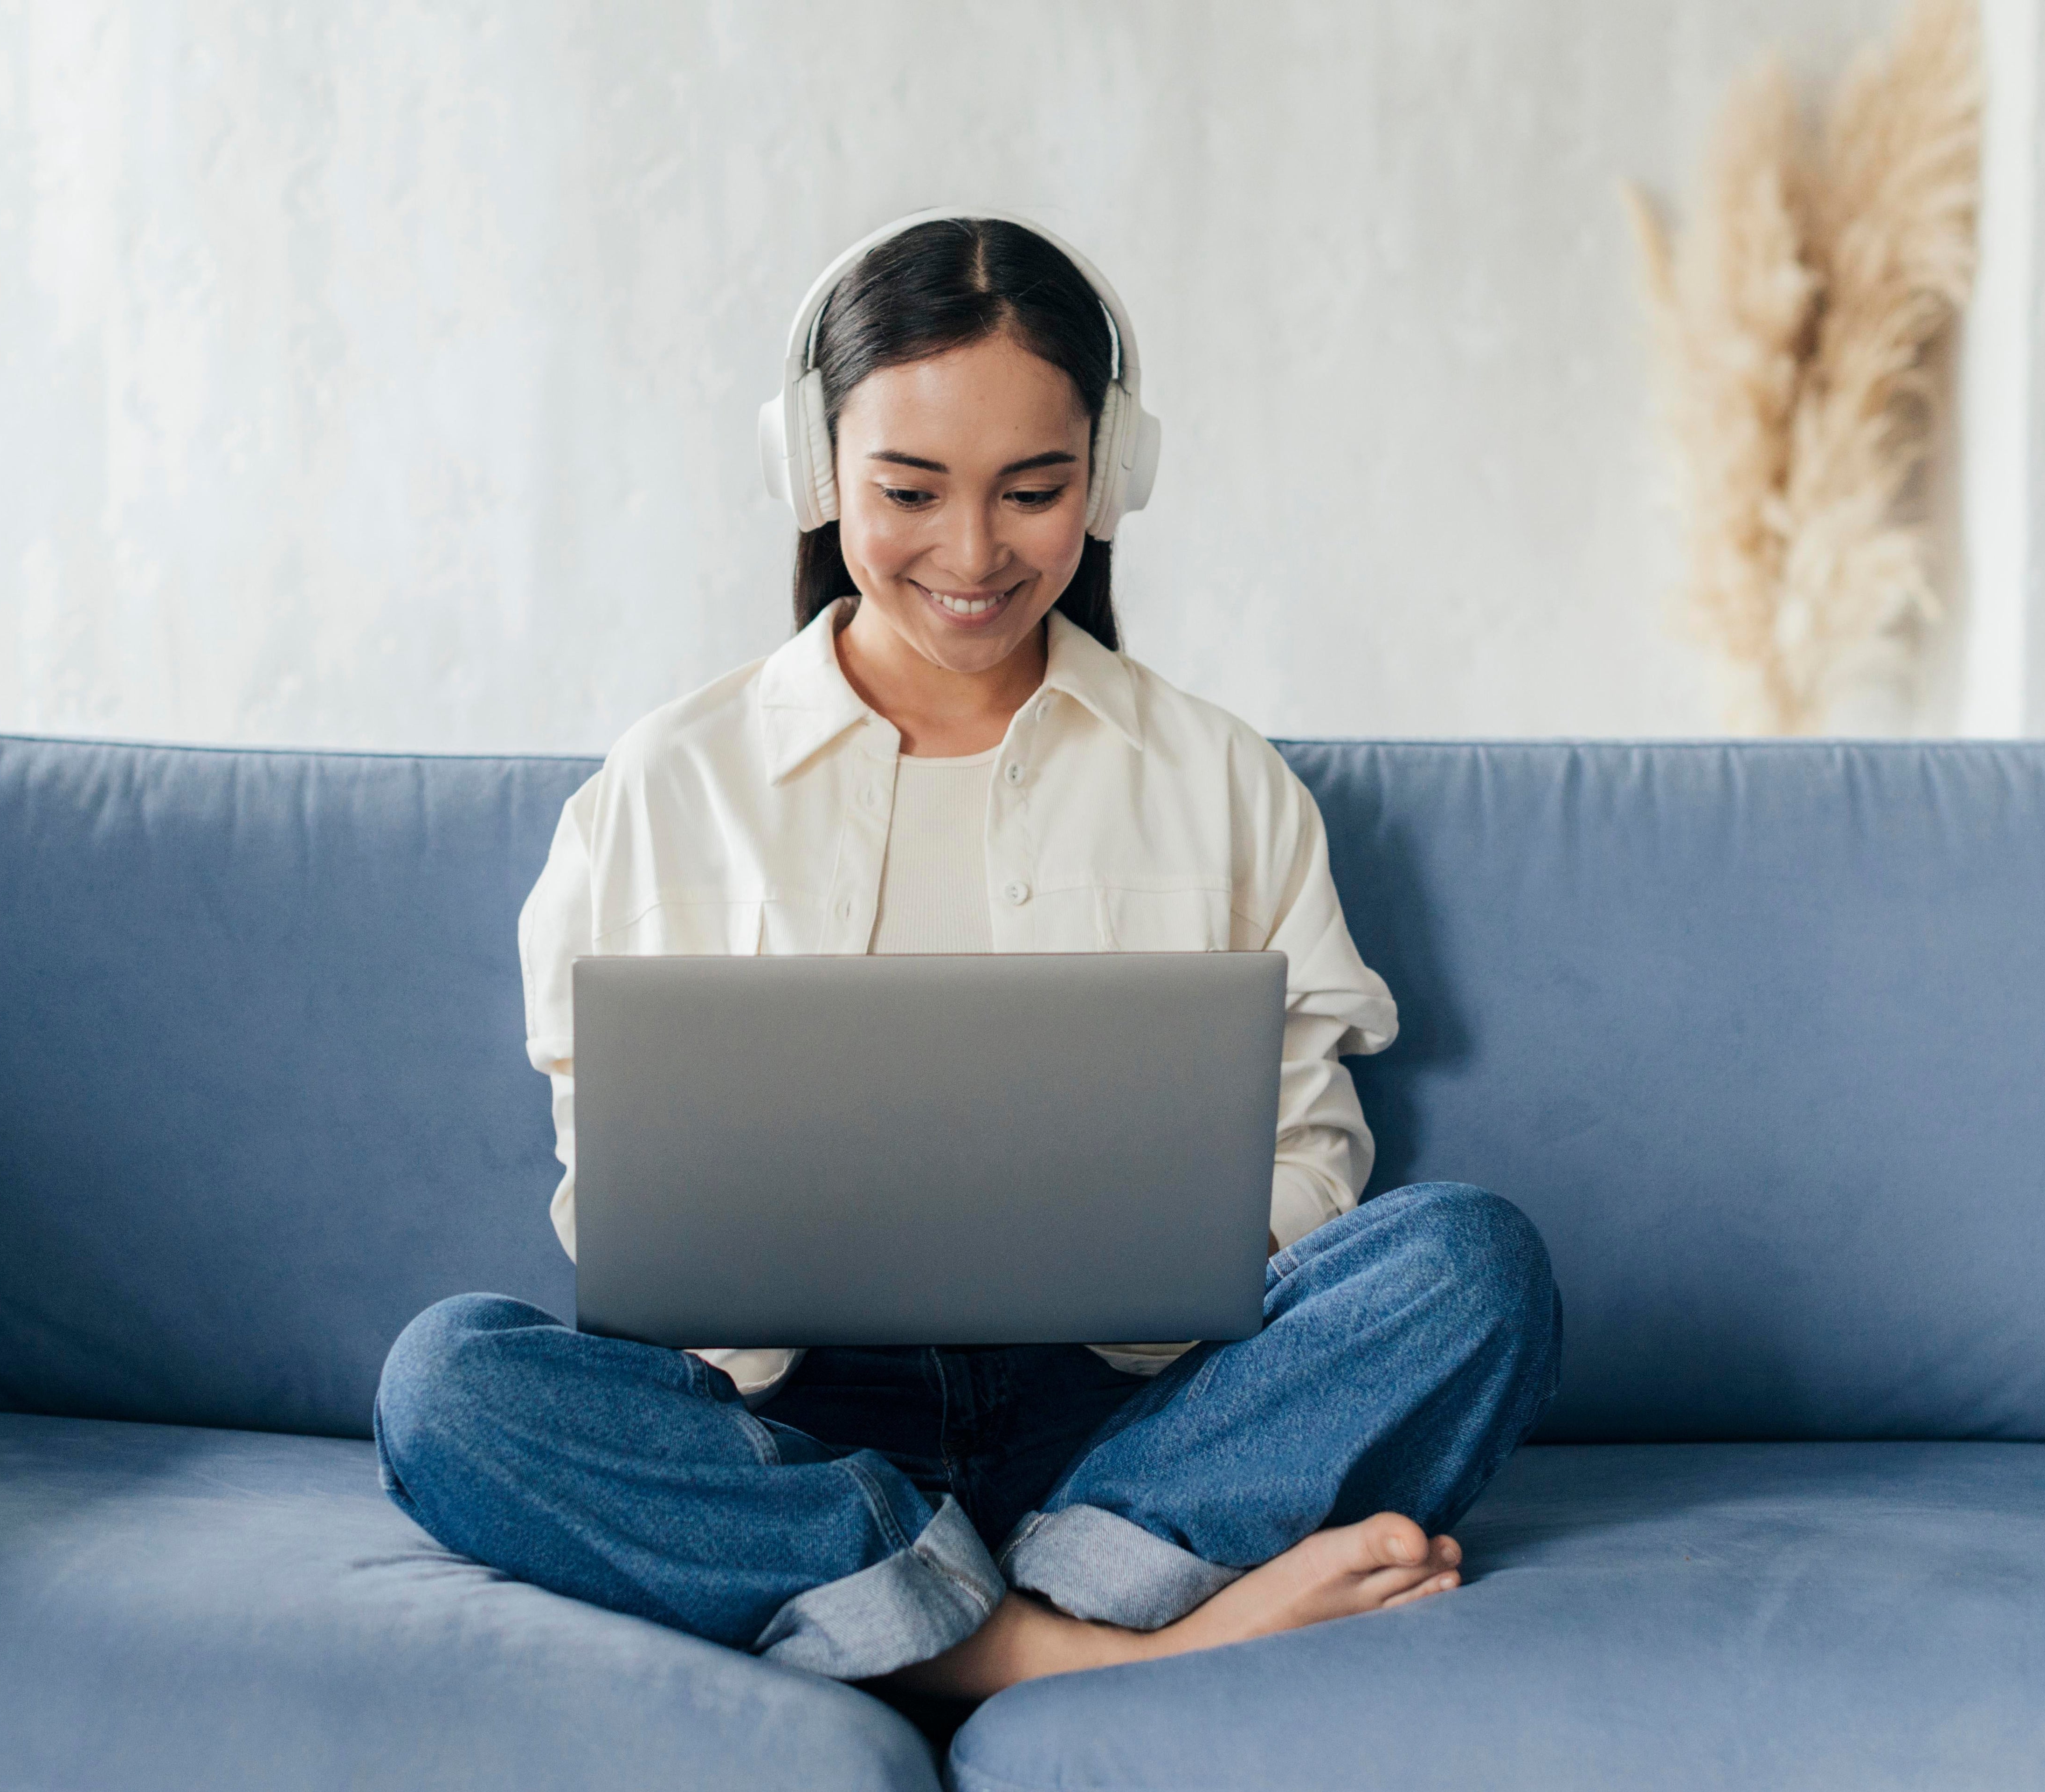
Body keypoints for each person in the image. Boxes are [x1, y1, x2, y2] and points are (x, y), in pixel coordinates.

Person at [373, 214, 1561, 1700]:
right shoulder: (665, 786)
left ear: (1110, 477)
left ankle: (987, 1598)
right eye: (911, 490)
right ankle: (1085, 1642)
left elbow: (1312, 1159)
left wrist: (1167, 1245)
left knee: (1472, 1260)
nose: (975, 553)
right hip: (797, 1429)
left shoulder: (1220, 777)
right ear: (814, 476)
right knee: (447, 1382)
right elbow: (614, 1194)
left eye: (1035, 490)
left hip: (1127, 1417)